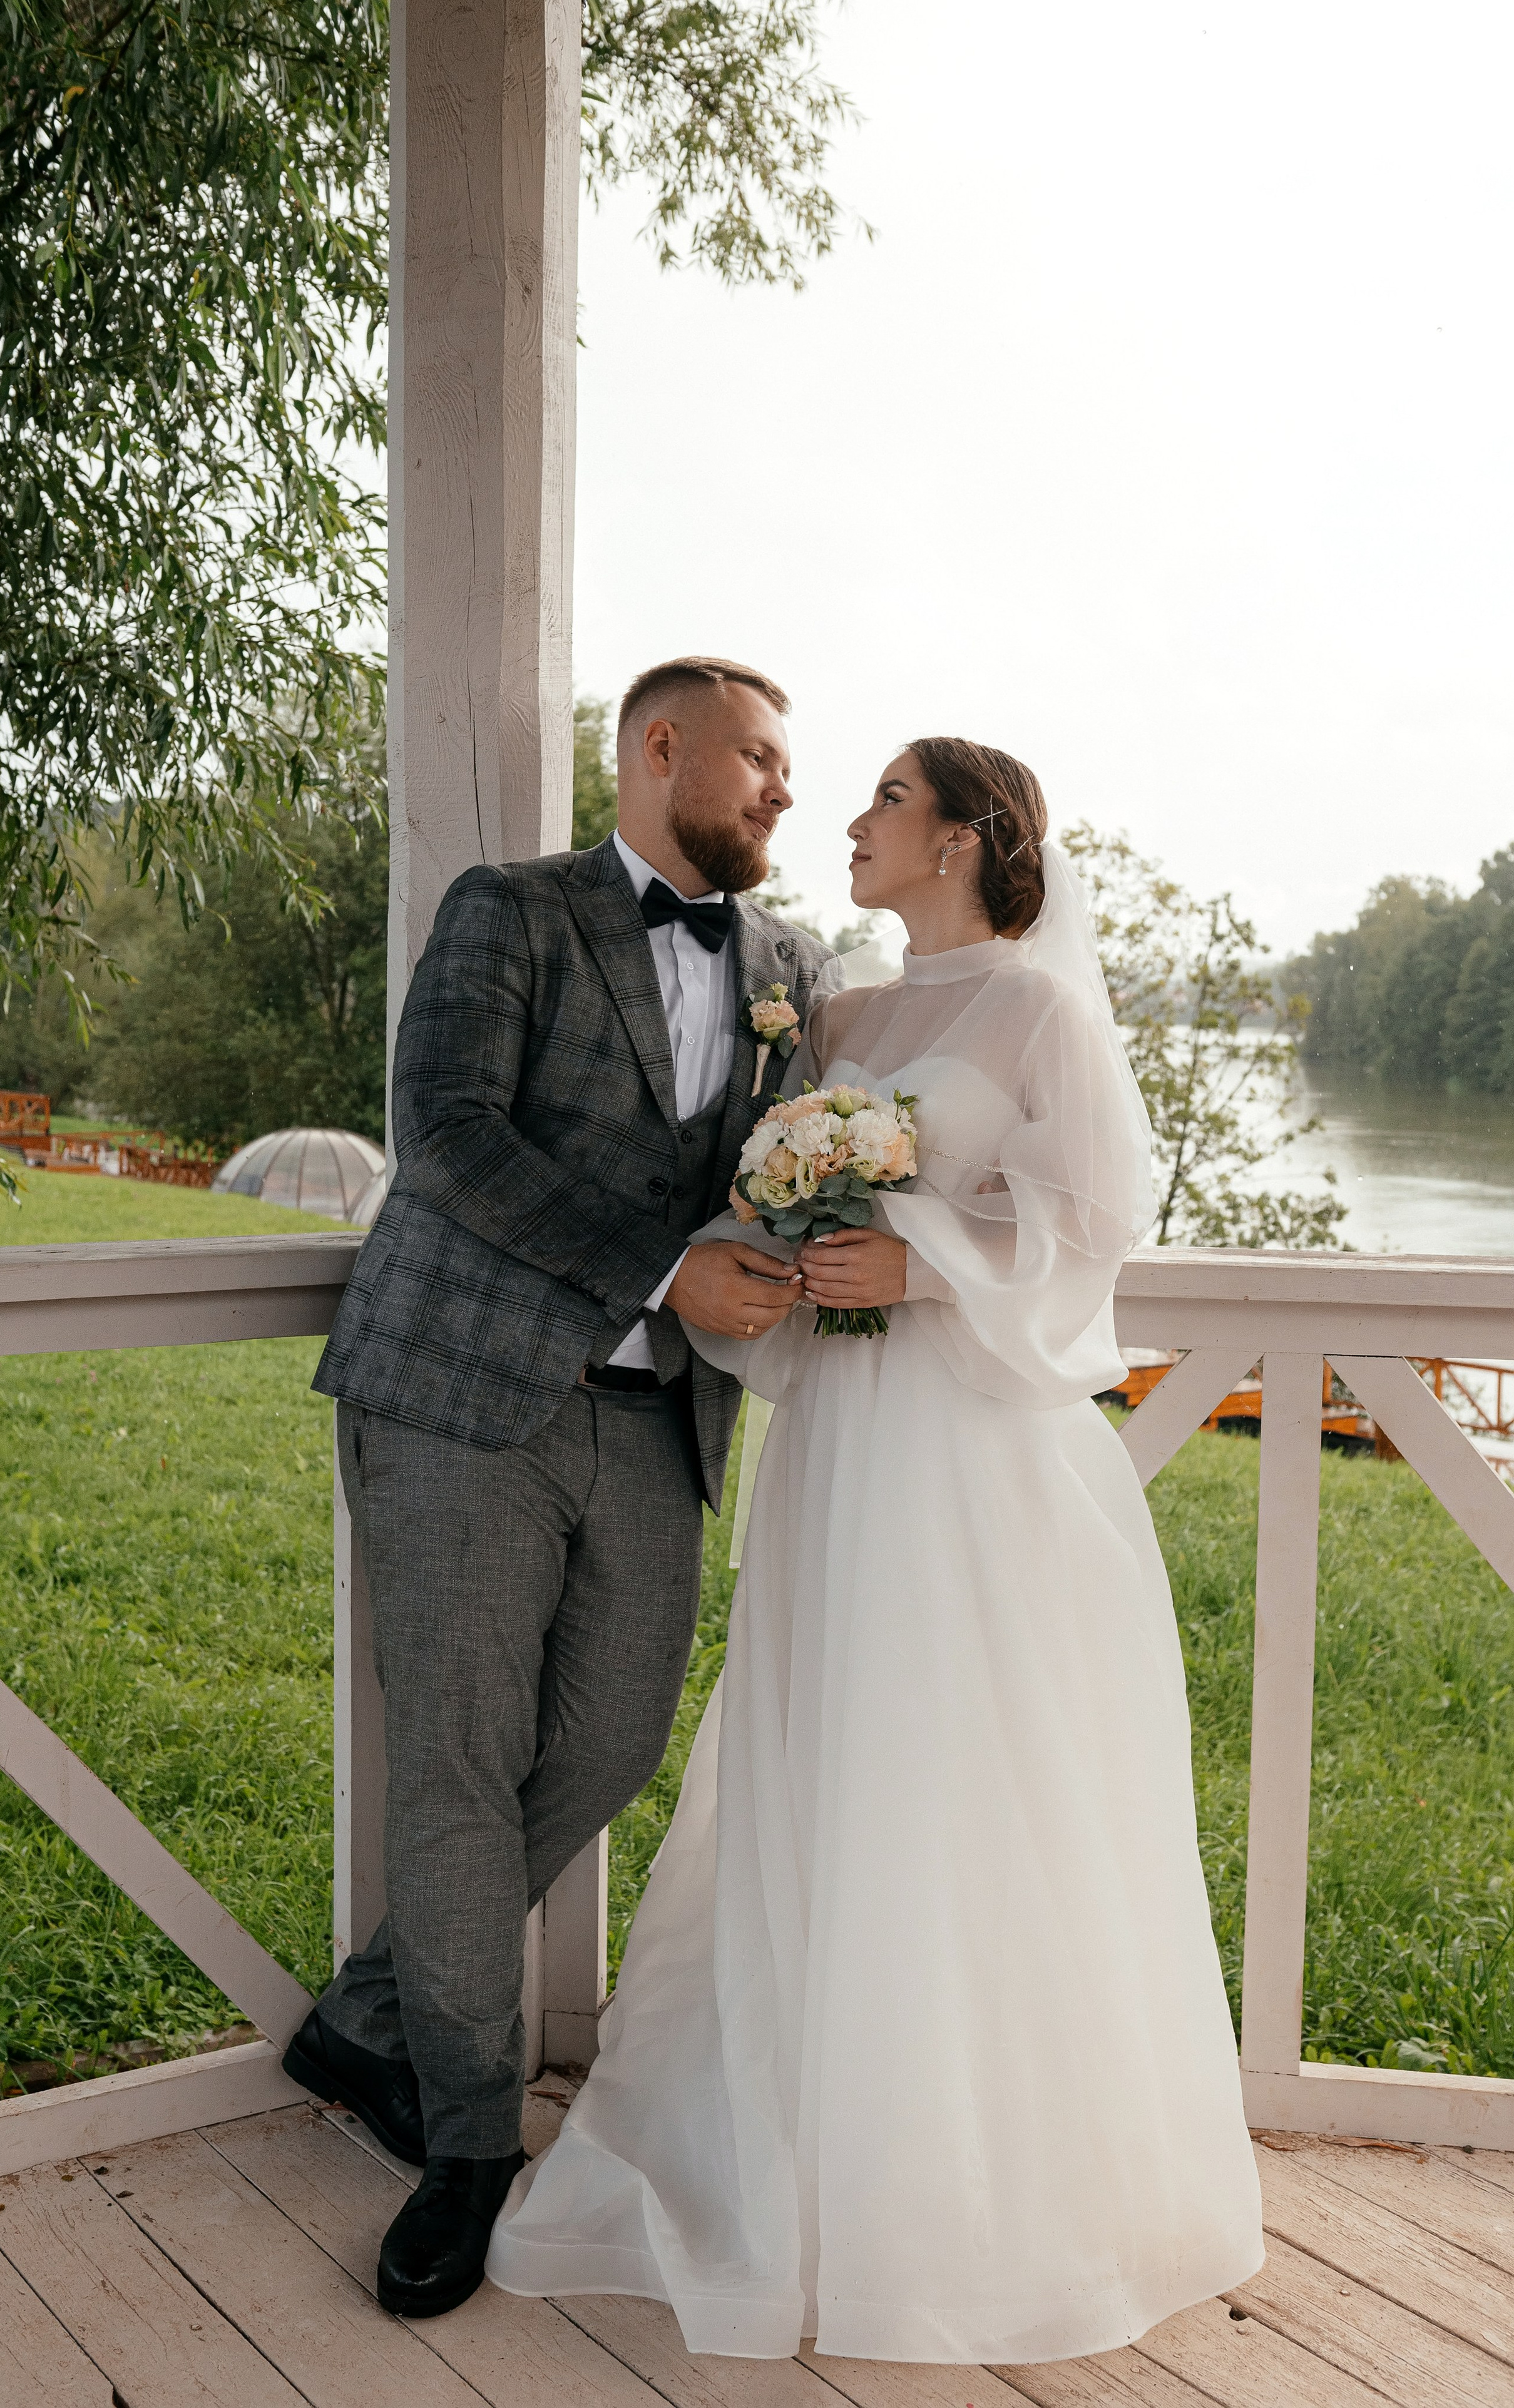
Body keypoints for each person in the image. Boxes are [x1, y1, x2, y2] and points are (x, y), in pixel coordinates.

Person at [488, 738, 1265, 2365]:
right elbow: (759, 1197)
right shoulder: (834, 1015)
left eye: (887, 804)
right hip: (839, 1438)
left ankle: (970, 2195)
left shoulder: (1037, 1010)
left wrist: (917, 1271)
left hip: (965, 1443)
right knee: (818, 1751)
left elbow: (1092, 1217)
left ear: (969, 837)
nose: (850, 823)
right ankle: (790, 2144)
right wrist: (772, 1253)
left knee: (954, 1764)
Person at [284, 656, 840, 2317]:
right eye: (758, 758)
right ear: (657, 750)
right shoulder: (508, 910)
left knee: (605, 1745)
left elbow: (790, 1177)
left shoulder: (793, 969)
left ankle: (365, 2017)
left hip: (656, 1424)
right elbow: (445, 1133)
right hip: (462, 1396)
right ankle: (464, 2151)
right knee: (455, 1769)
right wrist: (668, 1268)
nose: (781, 790)